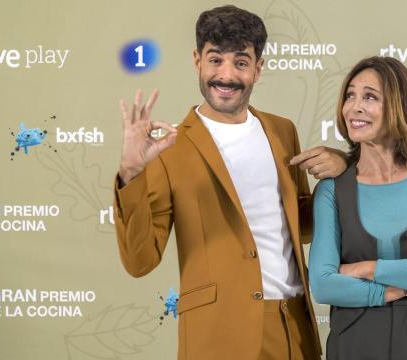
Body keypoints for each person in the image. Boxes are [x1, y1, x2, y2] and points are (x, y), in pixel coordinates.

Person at [113, 5, 347, 360]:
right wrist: (131, 174)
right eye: (215, 60)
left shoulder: (283, 131)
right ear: (197, 61)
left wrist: (342, 171)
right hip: (217, 334)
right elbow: (140, 261)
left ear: (258, 68)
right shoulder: (168, 149)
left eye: (240, 62)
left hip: (293, 326)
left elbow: (302, 225)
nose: (226, 75)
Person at [309, 56, 407, 360]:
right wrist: (399, 287)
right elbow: (324, 284)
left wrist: (366, 269)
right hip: (353, 346)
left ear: (399, 105)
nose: (354, 106)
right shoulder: (331, 189)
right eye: (350, 95)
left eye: (370, 96)